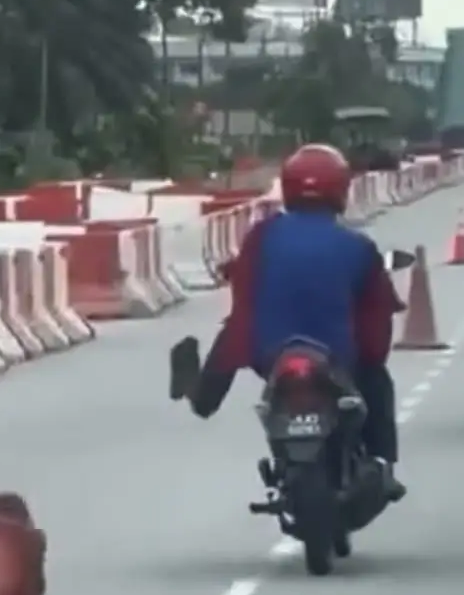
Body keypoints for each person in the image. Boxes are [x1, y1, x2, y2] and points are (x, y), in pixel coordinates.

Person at [168, 143, 407, 501]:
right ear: (341, 189)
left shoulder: (261, 237)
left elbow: (243, 299)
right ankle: (381, 463)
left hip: (270, 354)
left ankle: (201, 395)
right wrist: (370, 360)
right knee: (378, 383)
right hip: (336, 358)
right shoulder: (357, 246)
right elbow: (376, 319)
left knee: (234, 329)